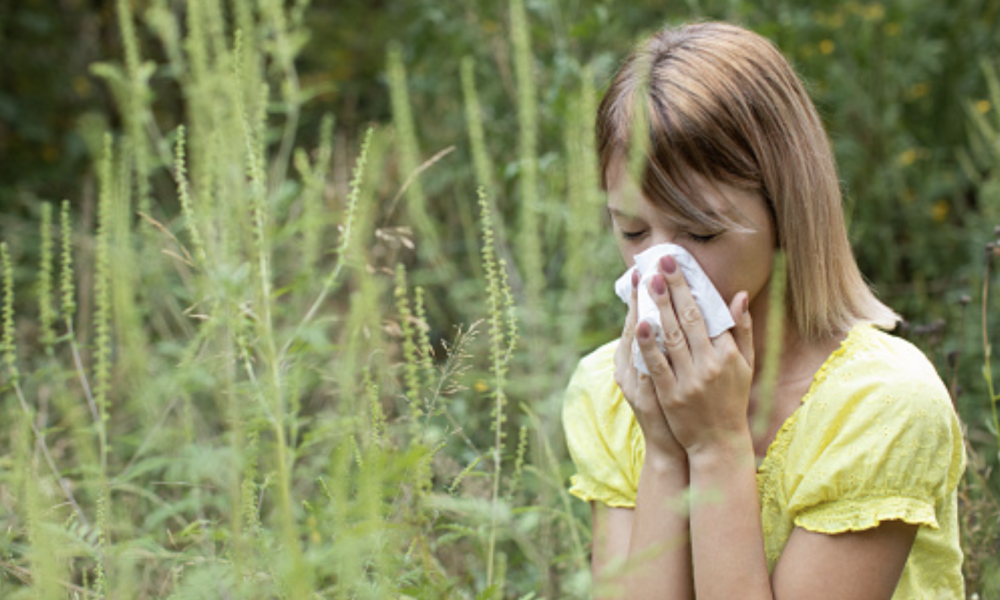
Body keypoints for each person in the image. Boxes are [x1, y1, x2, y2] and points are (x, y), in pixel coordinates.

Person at [562, 22, 965, 600]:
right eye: (632, 229)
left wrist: (716, 443)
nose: (657, 268)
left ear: (786, 207)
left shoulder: (879, 406)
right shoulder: (609, 391)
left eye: (700, 232)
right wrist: (664, 449)